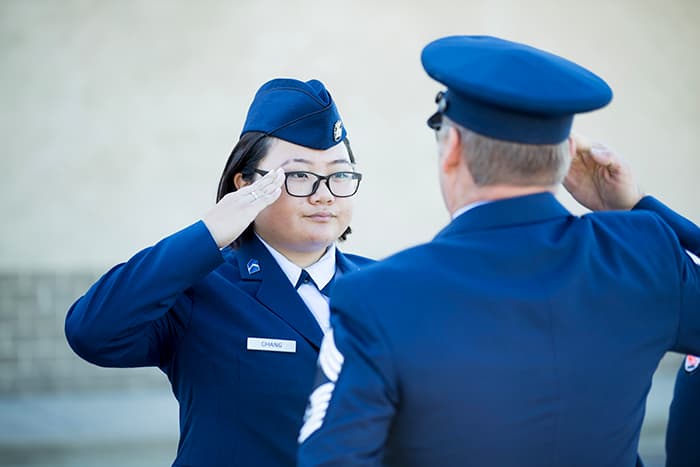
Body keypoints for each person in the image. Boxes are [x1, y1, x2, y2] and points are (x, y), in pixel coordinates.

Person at [296, 35, 700, 467]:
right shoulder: (644, 252)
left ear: (452, 148)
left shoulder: (374, 296)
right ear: (565, 155)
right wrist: (639, 207)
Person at [64, 78, 372, 466]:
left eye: (340, 174)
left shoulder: (384, 289)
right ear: (245, 184)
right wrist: (208, 234)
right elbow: (91, 332)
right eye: (299, 176)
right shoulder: (204, 288)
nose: (324, 193)